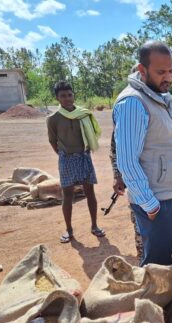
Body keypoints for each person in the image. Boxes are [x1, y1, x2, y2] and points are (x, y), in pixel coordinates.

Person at [113, 41, 172, 265]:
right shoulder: (133, 103)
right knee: (158, 272)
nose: (168, 77)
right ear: (142, 70)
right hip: (158, 203)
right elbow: (127, 161)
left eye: (171, 71)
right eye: (161, 72)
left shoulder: (165, 97)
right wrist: (149, 204)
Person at [47, 81, 105, 243]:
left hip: (84, 157)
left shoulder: (83, 114)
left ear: (74, 95)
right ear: (57, 98)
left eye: (70, 95)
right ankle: (69, 229)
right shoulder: (53, 119)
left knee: (90, 193)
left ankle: (94, 226)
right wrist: (64, 156)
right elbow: (53, 141)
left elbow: (92, 133)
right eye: (63, 96)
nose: (67, 99)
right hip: (66, 159)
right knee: (68, 195)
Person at [109, 63, 143, 259]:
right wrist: (117, 175)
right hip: (136, 181)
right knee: (140, 227)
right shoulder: (128, 103)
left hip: (158, 179)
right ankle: (143, 264)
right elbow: (115, 147)